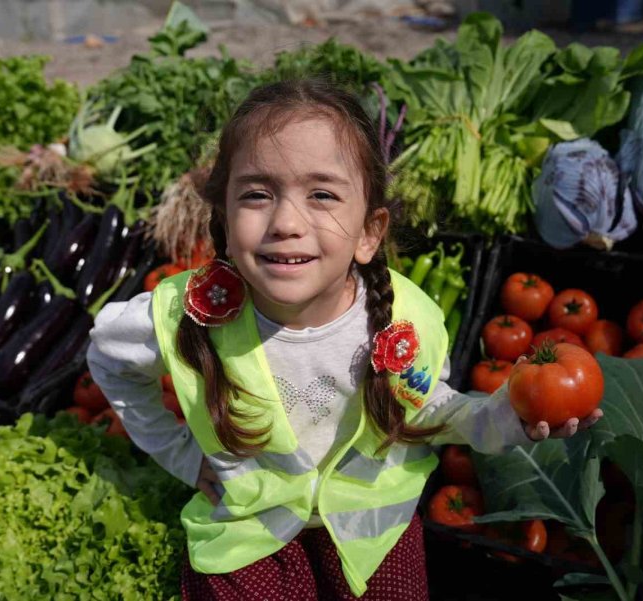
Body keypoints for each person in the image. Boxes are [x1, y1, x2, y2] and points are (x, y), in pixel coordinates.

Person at [86, 78, 603, 601]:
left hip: (370, 522)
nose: (286, 222)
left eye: (322, 195)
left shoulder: (406, 319)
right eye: (257, 194)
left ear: (369, 233)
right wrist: (180, 455)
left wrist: (500, 418)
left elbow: (424, 408)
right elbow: (108, 357)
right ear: (223, 215)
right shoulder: (184, 313)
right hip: (251, 522)